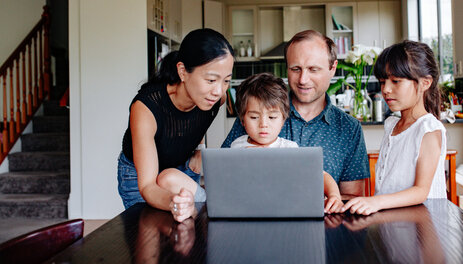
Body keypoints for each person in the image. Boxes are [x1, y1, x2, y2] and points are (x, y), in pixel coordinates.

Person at [222, 30, 370, 198]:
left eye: (313, 69)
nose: (303, 79)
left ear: (332, 68)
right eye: (295, 69)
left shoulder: (349, 129)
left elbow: (353, 197)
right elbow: (223, 176)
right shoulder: (256, 113)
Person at [117, 28, 234, 222]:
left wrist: (199, 149)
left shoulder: (216, 99)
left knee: (188, 239)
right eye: (211, 80)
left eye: (226, 81)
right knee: (150, 240)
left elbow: (196, 123)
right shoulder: (146, 108)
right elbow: (147, 186)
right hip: (140, 178)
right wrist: (174, 202)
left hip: (182, 169)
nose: (219, 90)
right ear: (182, 72)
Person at [342, 40, 447, 215]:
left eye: (396, 81)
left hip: (424, 224)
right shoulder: (392, 124)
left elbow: (421, 191)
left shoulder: (428, 129)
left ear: (425, 83)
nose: (386, 90)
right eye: (383, 82)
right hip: (395, 218)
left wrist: (376, 201)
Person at [230, 72, 343, 213]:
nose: (263, 124)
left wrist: (334, 195)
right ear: (242, 120)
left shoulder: (289, 149)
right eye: (254, 117)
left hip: (285, 212)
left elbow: (321, 175)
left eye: (272, 117)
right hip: (247, 211)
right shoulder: (236, 146)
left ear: (283, 119)